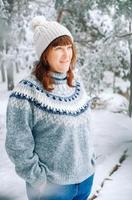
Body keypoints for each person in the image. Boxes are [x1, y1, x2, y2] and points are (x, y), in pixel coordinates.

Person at [5, 16, 96, 200]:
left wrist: (90, 161)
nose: (67, 54)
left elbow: (84, 130)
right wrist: (39, 180)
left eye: (69, 47)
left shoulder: (77, 85)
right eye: (59, 48)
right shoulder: (26, 93)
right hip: (52, 188)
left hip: (85, 180)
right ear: (45, 53)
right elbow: (17, 145)